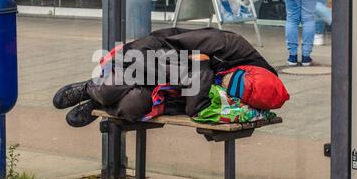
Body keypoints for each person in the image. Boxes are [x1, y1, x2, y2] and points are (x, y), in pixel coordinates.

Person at [53, 28, 289, 128]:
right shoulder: (228, 45)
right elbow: (166, 42)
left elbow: (196, 108)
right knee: (112, 86)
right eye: (233, 79)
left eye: (235, 89)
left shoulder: (261, 92)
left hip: (173, 93)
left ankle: (97, 103)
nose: (227, 84)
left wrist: (202, 69)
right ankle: (90, 90)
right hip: (157, 62)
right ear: (246, 69)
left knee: (132, 106)